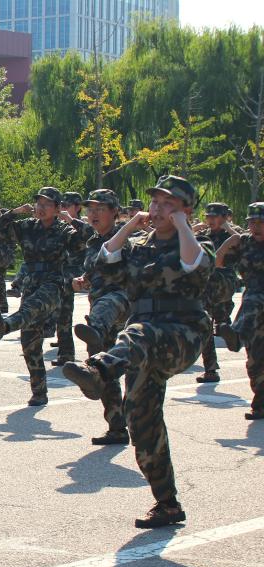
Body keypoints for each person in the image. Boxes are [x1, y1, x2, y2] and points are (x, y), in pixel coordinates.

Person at [61, 175, 214, 529]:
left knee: (137, 333)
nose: (158, 209)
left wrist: (182, 225)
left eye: (168, 204)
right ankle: (168, 504)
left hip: (182, 333)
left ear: (185, 210)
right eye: (155, 202)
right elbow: (106, 259)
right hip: (143, 344)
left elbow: (194, 265)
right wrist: (130, 225)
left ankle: (100, 369)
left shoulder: (195, 242)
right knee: (141, 418)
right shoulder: (140, 245)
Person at [0, 187, 84, 406]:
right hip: (31, 282)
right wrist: (15, 212)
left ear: (57, 208)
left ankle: (6, 325)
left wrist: (71, 220)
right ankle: (39, 391)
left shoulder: (64, 230)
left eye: (47, 204)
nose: (41, 208)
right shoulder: (27, 226)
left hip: (54, 283)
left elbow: (88, 238)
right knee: (29, 342)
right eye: (39, 203)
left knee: (32, 307)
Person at [70, 189, 130, 445]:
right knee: (103, 367)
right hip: (100, 307)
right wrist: (83, 280)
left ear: (114, 212)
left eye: (100, 209)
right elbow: (96, 270)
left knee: (136, 373)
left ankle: (94, 333)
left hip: (123, 306)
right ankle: (117, 427)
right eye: (90, 209)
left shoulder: (128, 237)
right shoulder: (93, 241)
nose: (93, 214)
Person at [214, 202, 264, 420]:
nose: (256, 227)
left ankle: (236, 334)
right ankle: (260, 404)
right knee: (255, 359)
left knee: (254, 299)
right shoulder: (245, 243)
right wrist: (228, 243)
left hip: (255, 301)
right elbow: (217, 263)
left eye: (261, 222)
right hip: (253, 308)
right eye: (252, 222)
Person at [193, 202, 241, 383]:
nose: (210, 220)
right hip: (208, 283)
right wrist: (193, 229)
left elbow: (244, 242)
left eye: (215, 216)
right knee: (207, 323)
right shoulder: (204, 235)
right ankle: (211, 370)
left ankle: (230, 330)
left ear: (225, 217)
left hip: (224, 280)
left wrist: (228, 229)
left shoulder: (234, 233)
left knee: (209, 316)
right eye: (208, 216)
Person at [50, 192, 93, 366]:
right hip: (64, 272)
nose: (63, 209)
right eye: (62, 206)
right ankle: (65, 352)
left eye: (67, 206)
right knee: (62, 313)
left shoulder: (86, 223)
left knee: (96, 315)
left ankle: (96, 353)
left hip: (83, 272)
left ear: (77, 207)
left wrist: (71, 220)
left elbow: (92, 234)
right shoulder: (59, 224)